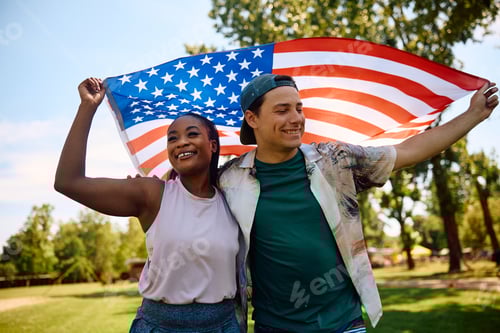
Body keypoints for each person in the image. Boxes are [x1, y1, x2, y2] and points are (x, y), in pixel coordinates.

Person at [217, 74, 498, 333]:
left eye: (299, 109)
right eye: (282, 110)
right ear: (252, 119)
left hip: (343, 321)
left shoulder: (334, 159)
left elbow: (408, 151)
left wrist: (473, 115)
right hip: (274, 326)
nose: (296, 118)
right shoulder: (229, 180)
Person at [54, 78, 247, 333]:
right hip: (161, 325)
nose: (181, 142)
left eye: (192, 134)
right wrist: (88, 108)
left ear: (212, 145)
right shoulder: (152, 194)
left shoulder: (233, 197)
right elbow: (69, 182)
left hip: (223, 325)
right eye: (172, 138)